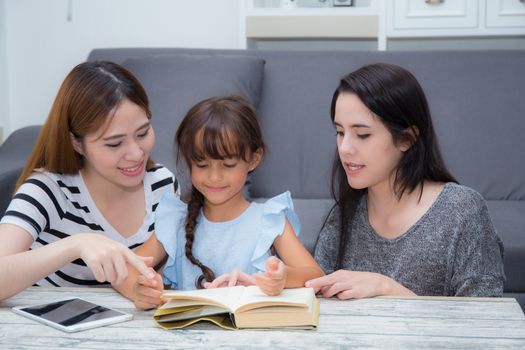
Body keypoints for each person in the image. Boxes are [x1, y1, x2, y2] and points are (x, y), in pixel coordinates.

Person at [305, 63, 505, 299]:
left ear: (407, 139)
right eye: (340, 132)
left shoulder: (463, 213)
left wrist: (387, 289)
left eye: (362, 134)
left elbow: (485, 324)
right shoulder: (342, 217)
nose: (345, 148)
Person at [114, 95, 324, 309]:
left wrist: (283, 278)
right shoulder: (176, 220)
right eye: (202, 165)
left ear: (254, 158)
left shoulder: (269, 219)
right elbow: (123, 268)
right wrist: (138, 290)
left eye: (228, 164)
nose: (214, 177)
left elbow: (316, 276)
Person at [0, 61, 176, 301]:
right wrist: (76, 245)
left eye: (143, 132)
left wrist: (144, 287)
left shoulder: (162, 185)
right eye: (114, 143)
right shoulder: (49, 190)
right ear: (77, 143)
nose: (136, 154)